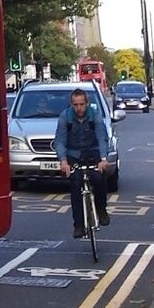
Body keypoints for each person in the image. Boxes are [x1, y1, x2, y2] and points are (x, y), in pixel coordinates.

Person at [56, 87, 113, 238]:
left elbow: (102, 138)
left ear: (87, 103)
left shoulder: (95, 116)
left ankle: (101, 210)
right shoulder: (64, 117)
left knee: (99, 178)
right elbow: (60, 141)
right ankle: (79, 225)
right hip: (73, 154)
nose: (79, 108)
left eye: (82, 104)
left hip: (92, 151)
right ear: (71, 104)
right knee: (75, 182)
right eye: (75, 105)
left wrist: (103, 159)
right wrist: (63, 161)